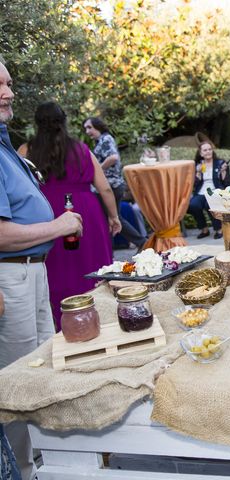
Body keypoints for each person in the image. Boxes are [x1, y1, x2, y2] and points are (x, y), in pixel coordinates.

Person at [0, 60, 83, 480]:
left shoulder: (5, 145)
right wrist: (61, 225)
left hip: (31, 271)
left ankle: (38, 460)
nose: (8, 93)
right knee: (16, 380)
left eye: (9, 83)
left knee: (41, 366)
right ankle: (19, 471)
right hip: (10, 278)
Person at [24, 102, 121, 330]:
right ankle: (102, 318)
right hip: (85, 212)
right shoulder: (81, 149)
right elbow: (105, 188)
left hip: (48, 214)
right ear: (64, 121)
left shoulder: (26, 151)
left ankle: (61, 324)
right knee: (92, 265)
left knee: (57, 269)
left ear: (37, 123)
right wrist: (113, 217)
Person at [83, 117, 146, 250]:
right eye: (85, 128)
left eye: (89, 127)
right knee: (113, 218)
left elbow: (113, 157)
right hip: (112, 185)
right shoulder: (101, 141)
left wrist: (98, 170)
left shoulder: (105, 139)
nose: (87, 131)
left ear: (97, 126)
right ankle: (141, 243)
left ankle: (140, 243)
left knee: (111, 218)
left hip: (111, 186)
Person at [187, 141, 230, 239]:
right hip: (201, 192)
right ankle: (204, 229)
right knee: (193, 205)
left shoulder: (220, 163)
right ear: (201, 153)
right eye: (205, 150)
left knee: (210, 204)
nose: (208, 152)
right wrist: (198, 173)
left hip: (215, 191)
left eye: (209, 149)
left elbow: (226, 183)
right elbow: (193, 184)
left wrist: (223, 172)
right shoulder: (197, 165)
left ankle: (218, 229)